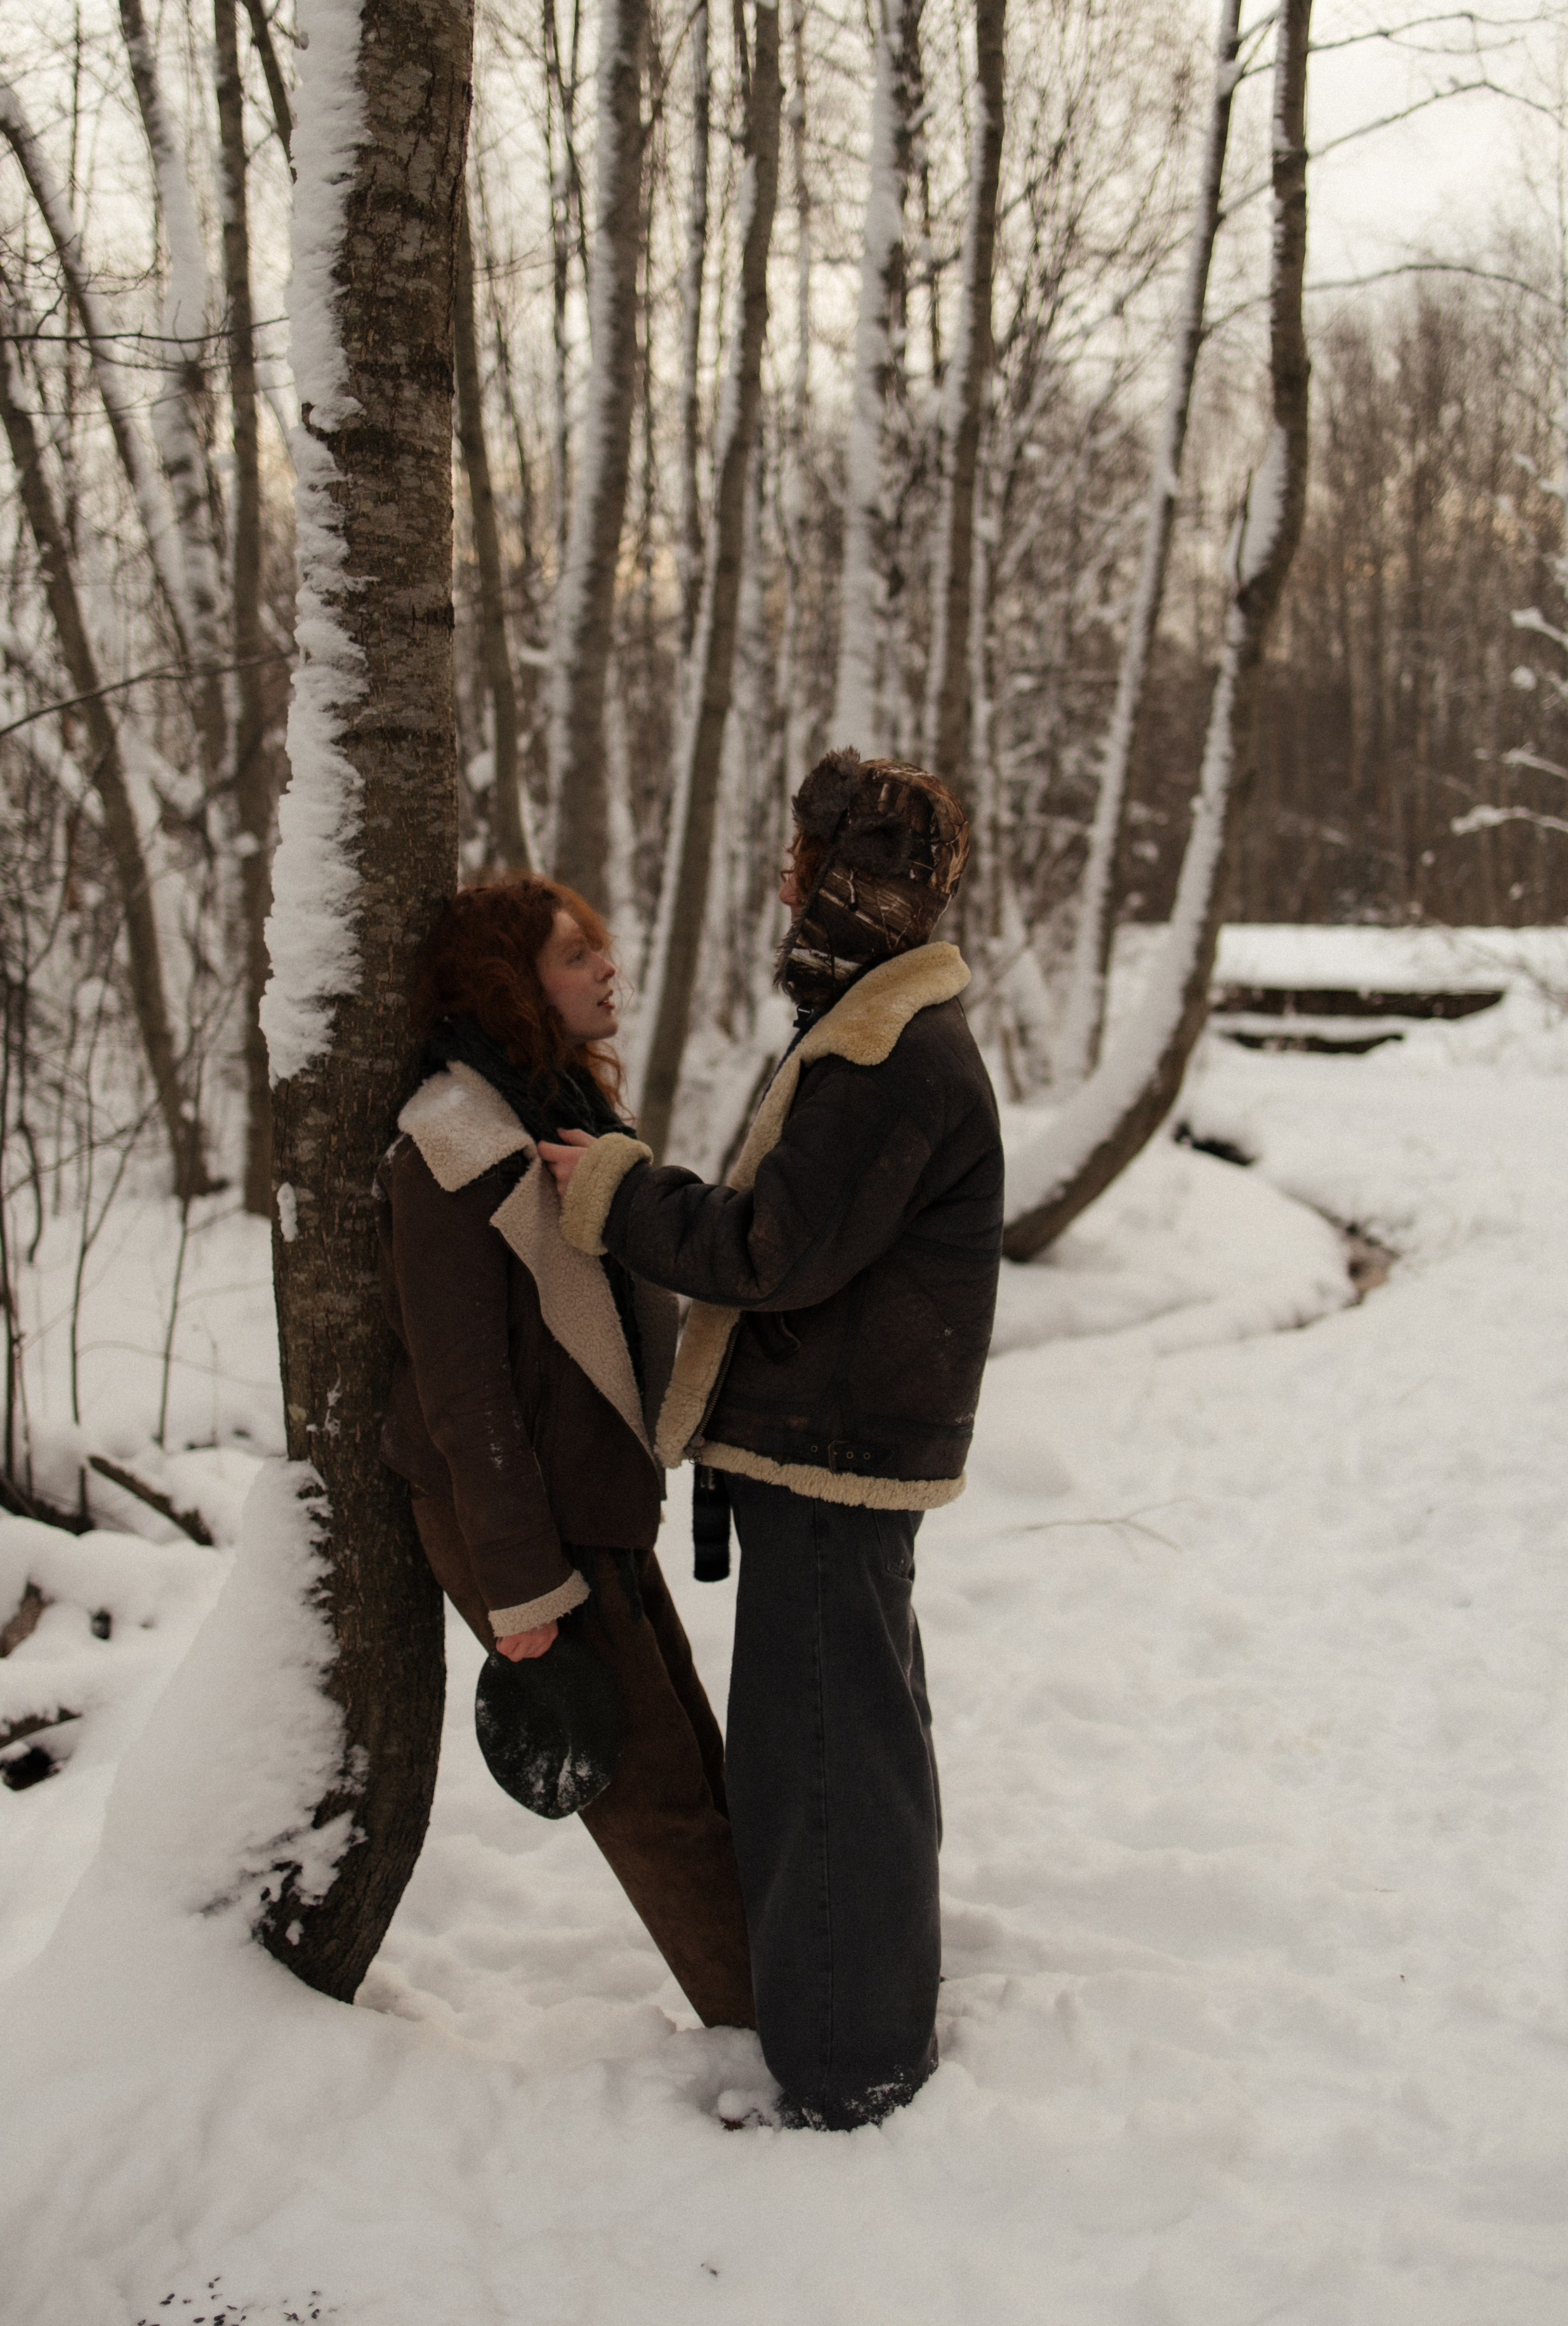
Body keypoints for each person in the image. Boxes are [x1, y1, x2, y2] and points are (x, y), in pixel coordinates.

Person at [540, 753, 1004, 2129]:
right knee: (847, 1740)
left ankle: (849, 2061)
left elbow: (767, 1250)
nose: (784, 890)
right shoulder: (877, 1028)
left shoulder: (884, 1052)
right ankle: (861, 2022)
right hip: (834, 1450)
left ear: (853, 885)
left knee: (824, 1759)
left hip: (832, 1458)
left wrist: (615, 1188)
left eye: (803, 868)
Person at [373, 874, 755, 2031]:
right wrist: (523, 1586)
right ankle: (775, 2031)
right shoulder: (451, 1145)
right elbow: (462, 1389)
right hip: (524, 1522)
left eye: (599, 947)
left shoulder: (560, 1113)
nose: (606, 968)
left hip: (595, 1501)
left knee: (696, 1761)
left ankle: (803, 1992)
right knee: (654, 1803)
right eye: (574, 954)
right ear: (512, 983)